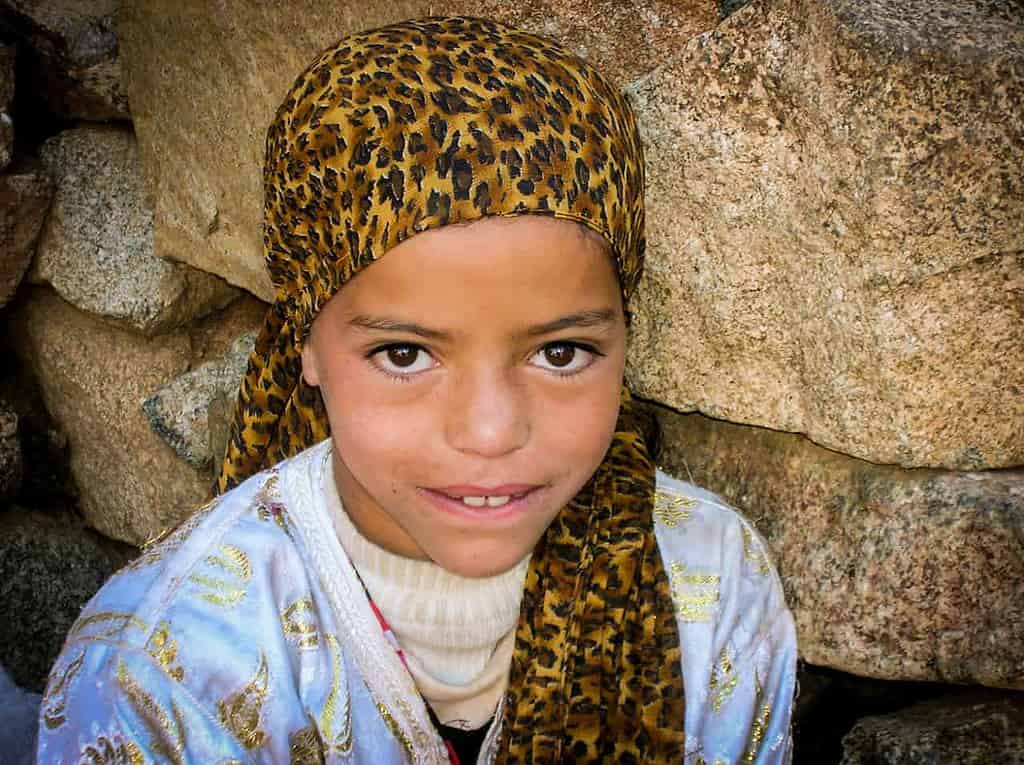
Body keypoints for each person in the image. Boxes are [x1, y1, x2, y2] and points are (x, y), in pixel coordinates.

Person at [36, 16, 796, 764]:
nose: (491, 432)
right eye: (404, 353)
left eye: (561, 352)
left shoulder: (716, 585)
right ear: (304, 339)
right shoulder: (167, 678)